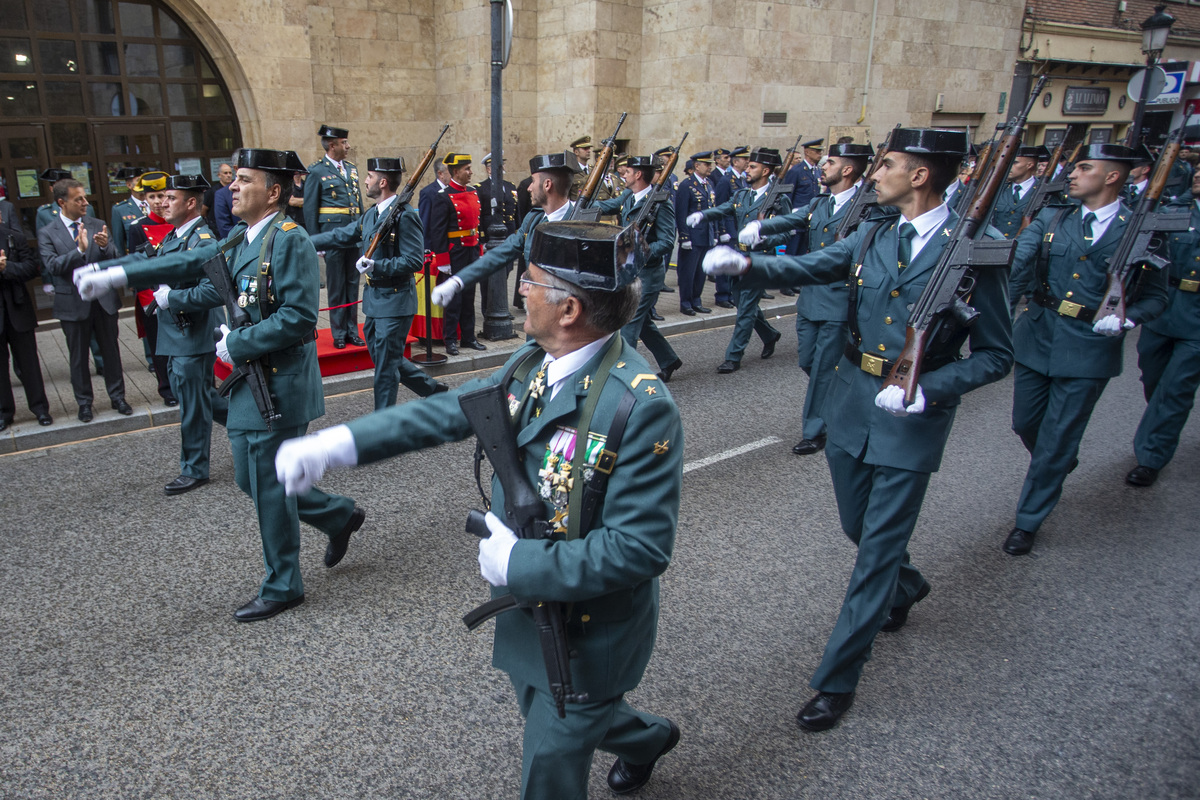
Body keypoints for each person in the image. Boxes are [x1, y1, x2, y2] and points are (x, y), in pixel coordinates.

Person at [274, 220, 683, 800]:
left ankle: (626, 733)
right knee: (546, 703)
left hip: (590, 631)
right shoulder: (533, 362)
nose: (520, 289)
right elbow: (451, 413)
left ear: (569, 309)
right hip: (530, 612)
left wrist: (520, 566)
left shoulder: (639, 406)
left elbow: (639, 549)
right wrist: (338, 444)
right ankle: (646, 739)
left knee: (551, 758)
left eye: (532, 281)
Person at [702, 128, 1013, 732]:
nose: (875, 173)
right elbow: (815, 265)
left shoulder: (977, 248)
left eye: (888, 164)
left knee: (873, 554)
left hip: (911, 418)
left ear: (920, 175)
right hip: (853, 400)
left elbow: (998, 355)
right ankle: (909, 584)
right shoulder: (874, 232)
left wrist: (930, 389)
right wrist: (748, 264)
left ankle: (837, 678)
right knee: (857, 524)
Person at [75, 148, 365, 622]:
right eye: (233, 181)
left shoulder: (288, 239)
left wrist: (241, 343)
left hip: (278, 381)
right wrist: (119, 273)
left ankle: (284, 584)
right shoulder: (240, 239)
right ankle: (337, 515)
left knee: (268, 485)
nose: (231, 187)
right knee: (249, 479)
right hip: (251, 379)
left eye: (244, 180)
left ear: (273, 191)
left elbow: (299, 317)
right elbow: (197, 272)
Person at [1004, 143, 1169, 556]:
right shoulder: (1053, 216)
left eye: (1084, 167)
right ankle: (1057, 462)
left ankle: (1028, 519)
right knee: (1025, 422)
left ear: (1112, 176)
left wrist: (1129, 319)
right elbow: (1019, 267)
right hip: (1037, 333)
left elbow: (1157, 296)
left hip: (1089, 346)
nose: (1071, 174)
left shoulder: (1141, 229)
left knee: (1059, 437)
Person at [742, 142, 875, 454]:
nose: (823, 166)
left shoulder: (868, 207)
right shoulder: (821, 203)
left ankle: (816, 429)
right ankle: (841, 396)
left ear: (848, 169)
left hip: (840, 298)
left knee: (825, 367)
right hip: (812, 297)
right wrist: (760, 226)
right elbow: (794, 219)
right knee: (809, 362)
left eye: (830, 162)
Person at [310, 156, 447, 409]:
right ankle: (432, 389)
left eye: (369, 176)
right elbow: (342, 235)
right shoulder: (372, 214)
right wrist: (306, 241)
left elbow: (414, 260)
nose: (365, 180)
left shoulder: (404, 216)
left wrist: (377, 266)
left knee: (385, 369)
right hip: (375, 302)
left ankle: (382, 426)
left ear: (382, 182)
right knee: (388, 359)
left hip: (395, 302)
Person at [143, 174, 226, 495]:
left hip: (191, 334)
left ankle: (194, 469)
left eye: (170, 198)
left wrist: (171, 298)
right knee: (204, 397)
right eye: (162, 198)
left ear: (191, 203)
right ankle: (260, 431)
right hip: (177, 333)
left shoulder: (202, 241)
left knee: (192, 404)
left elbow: (214, 292)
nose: (162, 203)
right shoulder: (176, 236)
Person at [429, 153, 578, 314]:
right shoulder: (533, 219)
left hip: (568, 318)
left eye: (533, 181)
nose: (529, 187)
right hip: (537, 317)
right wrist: (457, 281)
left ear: (547, 185)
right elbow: (500, 253)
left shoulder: (579, 221)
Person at [1127, 169, 1200, 487]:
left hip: (1198, 320)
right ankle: (1166, 418)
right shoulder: (1173, 213)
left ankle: (1151, 457)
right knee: (1153, 377)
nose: (1198, 175)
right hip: (1165, 309)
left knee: (1175, 388)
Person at [689, 147, 790, 373]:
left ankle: (733, 356)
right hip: (738, 255)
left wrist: (764, 238)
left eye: (752, 166)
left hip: (759, 259)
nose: (747, 169)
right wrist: (703, 215)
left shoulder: (778, 198)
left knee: (745, 309)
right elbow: (724, 209)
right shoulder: (742, 195)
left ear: (766, 170)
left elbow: (787, 232)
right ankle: (770, 334)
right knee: (742, 302)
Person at [37, 178, 129, 423]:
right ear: (61, 202)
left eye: (84, 197)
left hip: (103, 301)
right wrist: (78, 251)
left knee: (111, 352)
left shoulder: (97, 224)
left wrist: (104, 248)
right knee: (78, 358)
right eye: (78, 199)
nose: (85, 202)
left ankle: (118, 397)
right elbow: (53, 266)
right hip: (72, 305)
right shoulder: (48, 232)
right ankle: (84, 404)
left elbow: (114, 257)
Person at [594, 155, 683, 381]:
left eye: (628, 171)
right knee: (642, 323)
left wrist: (638, 250)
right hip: (630, 273)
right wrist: (573, 204)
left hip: (648, 275)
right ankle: (669, 360)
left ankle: (624, 376)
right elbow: (606, 206)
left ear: (638, 175)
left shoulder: (661, 203)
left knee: (629, 323)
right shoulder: (628, 196)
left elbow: (666, 242)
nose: (623, 174)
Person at [304, 125, 364, 349]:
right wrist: (315, 240)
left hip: (353, 235)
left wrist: (363, 231)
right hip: (331, 236)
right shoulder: (317, 171)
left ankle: (352, 330)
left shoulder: (351, 169)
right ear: (332, 145)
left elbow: (357, 204)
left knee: (352, 283)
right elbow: (310, 208)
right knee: (337, 285)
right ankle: (338, 332)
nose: (348, 147)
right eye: (344, 143)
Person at [125, 171, 179, 407]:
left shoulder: (178, 224)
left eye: (162, 196)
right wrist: (150, 301)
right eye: (153, 196)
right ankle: (167, 389)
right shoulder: (138, 227)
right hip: (153, 298)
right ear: (145, 199)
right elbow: (137, 269)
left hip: (178, 293)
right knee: (160, 347)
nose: (158, 202)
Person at [427, 153, 488, 355]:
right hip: (455, 252)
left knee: (469, 295)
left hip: (471, 249)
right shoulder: (442, 196)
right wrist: (443, 259)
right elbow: (437, 231)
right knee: (454, 299)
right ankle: (450, 339)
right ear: (455, 172)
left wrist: (479, 250)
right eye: (467, 169)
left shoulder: (472, 192)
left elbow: (476, 226)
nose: (470, 172)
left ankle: (468, 337)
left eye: (470, 168)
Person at [0, 210, 52, 429]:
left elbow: (31, 268)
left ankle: (40, 409)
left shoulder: (14, 236)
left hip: (18, 309)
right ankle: (4, 412)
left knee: (29, 364)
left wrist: (6, 267)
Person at [674, 150, 717, 315]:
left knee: (701, 272)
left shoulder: (709, 184)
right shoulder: (687, 185)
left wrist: (715, 233)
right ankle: (685, 303)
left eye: (710, 164)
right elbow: (681, 213)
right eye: (706, 164)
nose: (709, 167)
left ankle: (696, 300)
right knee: (688, 273)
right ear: (696, 165)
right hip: (692, 236)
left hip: (706, 234)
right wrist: (684, 236)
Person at [989, 145, 1046, 238]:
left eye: (1014, 163)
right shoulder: (998, 189)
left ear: (1029, 165)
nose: (1009, 166)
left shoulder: (1043, 191)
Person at [109, 166, 148, 258]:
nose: (142, 184)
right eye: (138, 180)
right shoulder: (120, 210)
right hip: (137, 259)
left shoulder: (157, 204)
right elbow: (119, 244)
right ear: (129, 185)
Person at [213, 152, 241, 238]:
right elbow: (224, 228)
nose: (228, 175)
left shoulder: (259, 188)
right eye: (225, 173)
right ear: (236, 168)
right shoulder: (222, 194)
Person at [203, 162, 235, 231]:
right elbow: (203, 210)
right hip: (216, 228)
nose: (228, 175)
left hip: (232, 226)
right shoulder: (212, 191)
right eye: (225, 173)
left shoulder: (234, 189)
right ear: (219, 175)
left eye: (230, 173)